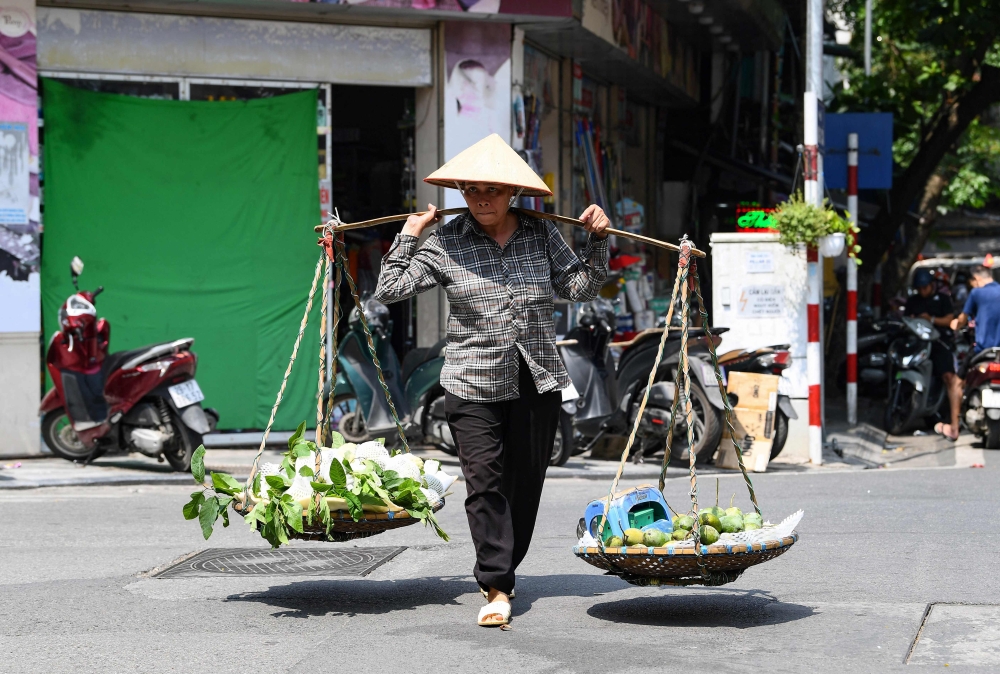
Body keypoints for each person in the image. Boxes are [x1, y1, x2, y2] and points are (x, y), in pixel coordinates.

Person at [373, 134, 610, 627]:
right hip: (469, 379)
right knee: (484, 483)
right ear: (461, 191)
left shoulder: (542, 235)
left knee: (525, 484)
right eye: (472, 189)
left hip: (536, 375)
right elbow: (391, 289)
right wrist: (410, 234)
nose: (482, 198)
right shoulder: (446, 240)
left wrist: (598, 240)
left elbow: (581, 287)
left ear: (512, 194)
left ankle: (505, 566)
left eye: (493, 190)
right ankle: (497, 584)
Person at [903, 269, 961, 440]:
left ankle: (953, 418)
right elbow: (906, 320)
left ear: (931, 285)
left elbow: (950, 320)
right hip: (918, 345)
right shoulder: (913, 301)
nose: (922, 291)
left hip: (939, 343)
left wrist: (931, 319)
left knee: (949, 377)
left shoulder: (942, 300)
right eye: (919, 288)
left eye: (925, 288)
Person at [951, 264, 1000, 354]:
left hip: (983, 350)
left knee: (964, 366)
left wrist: (955, 324)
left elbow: (963, 319)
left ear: (976, 279)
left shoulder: (976, 292)